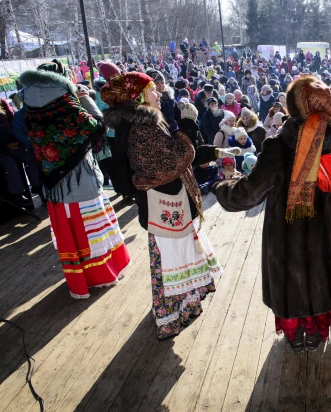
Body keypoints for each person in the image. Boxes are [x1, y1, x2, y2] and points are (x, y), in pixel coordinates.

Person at [212, 76, 331, 352]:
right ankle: (318, 331)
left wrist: (221, 187)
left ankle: (295, 334)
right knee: (322, 277)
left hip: (286, 233)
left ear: (294, 107)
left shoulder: (278, 146)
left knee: (290, 280)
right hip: (323, 231)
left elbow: (249, 193)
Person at [99, 61, 235, 339]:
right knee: (170, 263)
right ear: (137, 97)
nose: (158, 93)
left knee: (176, 259)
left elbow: (174, 152)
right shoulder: (141, 130)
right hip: (165, 204)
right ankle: (170, 316)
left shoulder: (145, 123)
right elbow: (174, 160)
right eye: (151, 90)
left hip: (168, 202)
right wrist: (187, 123)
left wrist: (214, 153)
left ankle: (183, 307)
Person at [20, 59, 131, 299]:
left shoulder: (28, 103)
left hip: (53, 184)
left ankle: (79, 279)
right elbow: (98, 126)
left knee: (72, 234)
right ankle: (100, 275)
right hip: (80, 180)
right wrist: (84, 97)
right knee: (91, 231)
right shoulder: (67, 101)